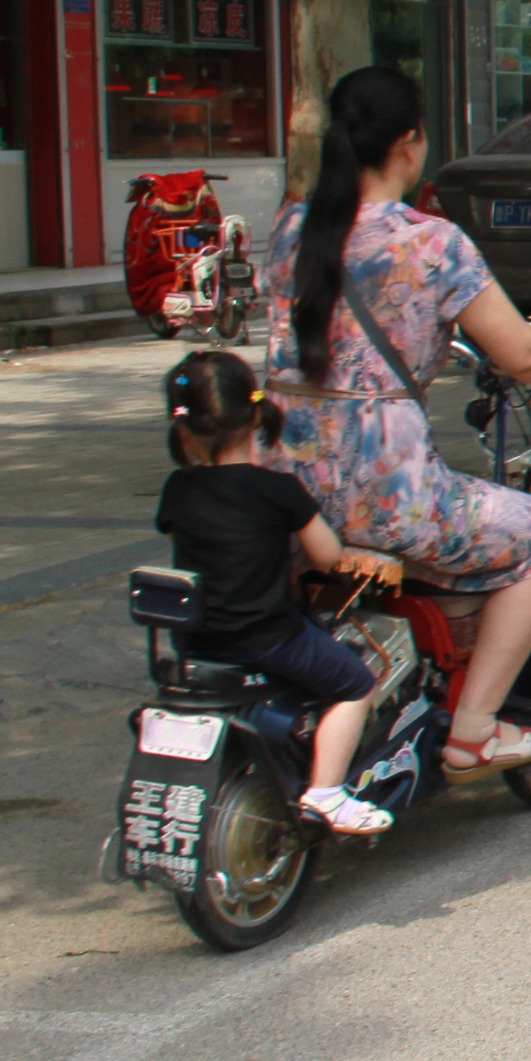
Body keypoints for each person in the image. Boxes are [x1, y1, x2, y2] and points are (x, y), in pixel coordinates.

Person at [263, 67, 531, 780]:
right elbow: (521, 352)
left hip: (283, 482)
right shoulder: (431, 243)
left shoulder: (290, 229)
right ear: (408, 142)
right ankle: (474, 729)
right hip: (385, 496)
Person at [156, 349, 404, 834]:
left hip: (197, 643)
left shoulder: (176, 490)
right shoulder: (278, 490)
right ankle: (328, 795)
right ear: (256, 416)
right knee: (355, 685)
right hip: (268, 640)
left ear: (184, 430)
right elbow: (330, 556)